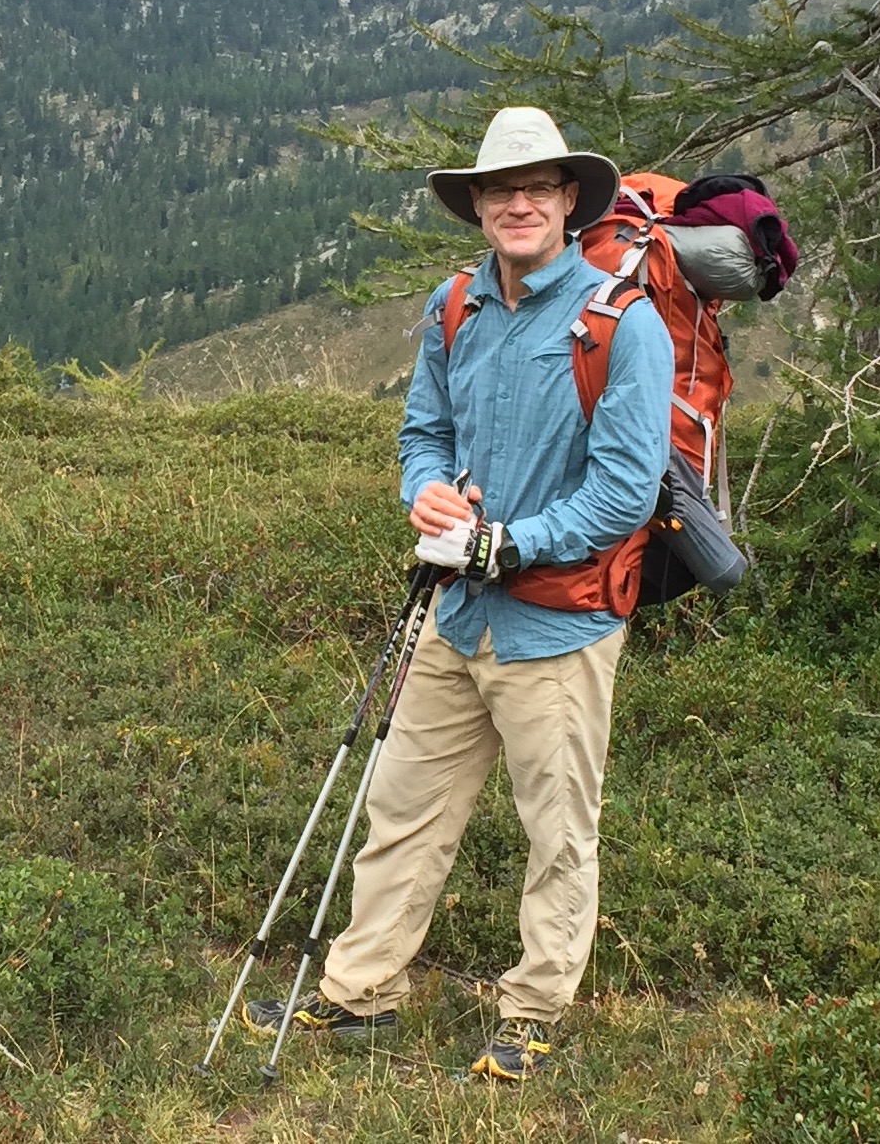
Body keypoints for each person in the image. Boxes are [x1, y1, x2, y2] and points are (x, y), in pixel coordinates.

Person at [243, 106, 671, 1081]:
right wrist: (426, 490)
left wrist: (507, 543)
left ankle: (533, 1011)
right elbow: (423, 432)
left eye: (537, 188)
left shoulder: (621, 322)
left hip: (559, 623)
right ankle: (361, 991)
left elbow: (624, 490)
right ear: (476, 206)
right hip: (458, 610)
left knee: (557, 831)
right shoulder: (455, 308)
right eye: (499, 190)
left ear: (569, 200)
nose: (519, 204)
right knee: (403, 805)